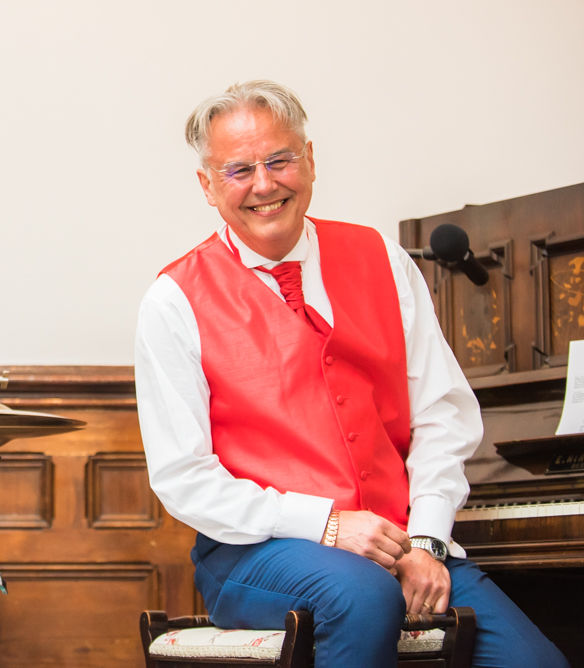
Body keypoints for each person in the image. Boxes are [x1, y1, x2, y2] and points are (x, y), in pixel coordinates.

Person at [134, 80, 568, 667]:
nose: (264, 184)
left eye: (279, 159)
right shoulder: (173, 300)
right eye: (238, 170)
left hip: (403, 541)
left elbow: (441, 411)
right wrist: (327, 526)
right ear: (208, 186)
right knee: (360, 597)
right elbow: (184, 477)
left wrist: (425, 540)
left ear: (309, 160)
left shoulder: (382, 258)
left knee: (535, 662)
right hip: (255, 552)